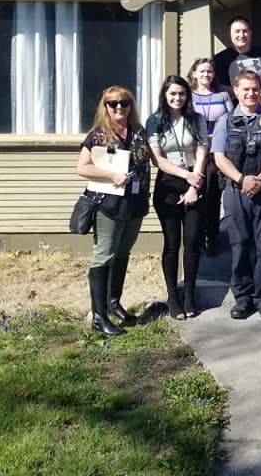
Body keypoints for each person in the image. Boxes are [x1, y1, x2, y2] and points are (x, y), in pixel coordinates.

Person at [212, 70, 261, 319]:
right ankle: (243, 298)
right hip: (236, 192)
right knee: (240, 244)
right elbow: (219, 157)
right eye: (245, 89)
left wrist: (260, 179)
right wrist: (241, 179)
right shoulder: (224, 121)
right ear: (235, 91)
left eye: (255, 88)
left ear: (260, 90)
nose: (250, 93)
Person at [76, 86, 152, 336]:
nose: (119, 107)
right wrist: (112, 174)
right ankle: (99, 316)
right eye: (113, 104)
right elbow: (83, 167)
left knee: (122, 253)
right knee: (104, 255)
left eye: (124, 103)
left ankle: (113, 303)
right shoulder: (98, 136)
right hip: (108, 205)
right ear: (105, 107)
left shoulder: (140, 132)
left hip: (135, 203)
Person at [148, 76, 209, 320]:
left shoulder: (197, 119)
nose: (177, 98)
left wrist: (195, 181)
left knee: (192, 241)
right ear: (165, 95)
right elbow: (158, 159)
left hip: (196, 179)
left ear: (187, 96)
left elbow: (202, 150)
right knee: (172, 243)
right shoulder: (155, 121)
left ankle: (190, 294)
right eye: (172, 94)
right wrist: (186, 176)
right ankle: (173, 296)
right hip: (168, 185)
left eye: (182, 94)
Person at [188, 57, 234, 255]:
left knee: (213, 195)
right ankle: (196, 235)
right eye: (202, 71)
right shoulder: (188, 96)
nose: (206, 74)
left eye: (210, 71)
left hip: (217, 150)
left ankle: (212, 236)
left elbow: (232, 120)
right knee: (197, 193)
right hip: (194, 152)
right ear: (194, 74)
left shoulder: (223, 95)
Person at [213, 16, 261, 108]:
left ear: (250, 33)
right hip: (238, 110)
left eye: (245, 31)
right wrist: (249, 93)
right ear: (229, 34)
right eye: (237, 31)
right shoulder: (220, 58)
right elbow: (219, 87)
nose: (241, 35)